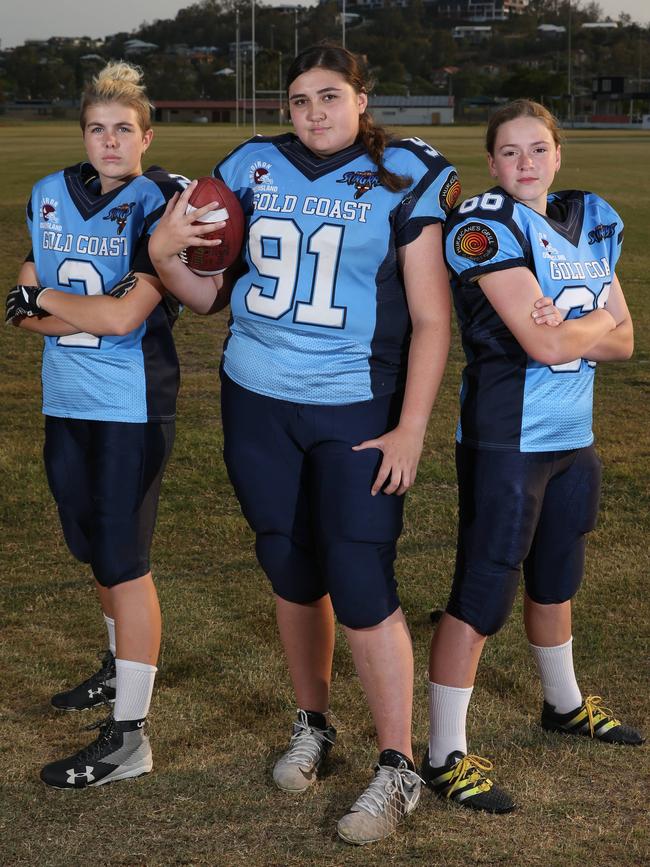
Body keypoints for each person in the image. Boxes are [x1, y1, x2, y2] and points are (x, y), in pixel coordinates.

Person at [147, 43, 459, 844]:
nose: (313, 112)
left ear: (361, 96)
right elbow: (211, 295)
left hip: (355, 405)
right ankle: (313, 721)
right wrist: (161, 257)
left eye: (328, 96)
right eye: (298, 100)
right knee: (287, 561)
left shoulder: (404, 173)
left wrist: (412, 425)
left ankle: (398, 766)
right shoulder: (252, 165)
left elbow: (430, 318)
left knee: (359, 574)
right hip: (256, 398)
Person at [420, 98, 644, 814]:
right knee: (482, 592)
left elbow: (627, 340)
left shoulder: (592, 217)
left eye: (537, 149)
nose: (525, 163)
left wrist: (580, 323)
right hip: (506, 439)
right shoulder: (484, 224)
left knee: (558, 577)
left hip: (571, 438)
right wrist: (590, 323)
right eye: (510, 151)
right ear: (491, 162)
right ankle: (443, 751)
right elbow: (546, 345)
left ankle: (563, 702)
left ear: (557, 154)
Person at [5, 61, 195, 789]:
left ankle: (130, 737)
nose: (109, 140)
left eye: (123, 129)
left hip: (130, 404)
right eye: (96, 128)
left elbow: (120, 316)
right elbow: (23, 299)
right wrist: (43, 304)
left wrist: (41, 301)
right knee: (88, 543)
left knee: (124, 559)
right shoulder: (50, 192)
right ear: (82, 133)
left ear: (146, 135)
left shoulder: (162, 202)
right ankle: (119, 668)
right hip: (65, 398)